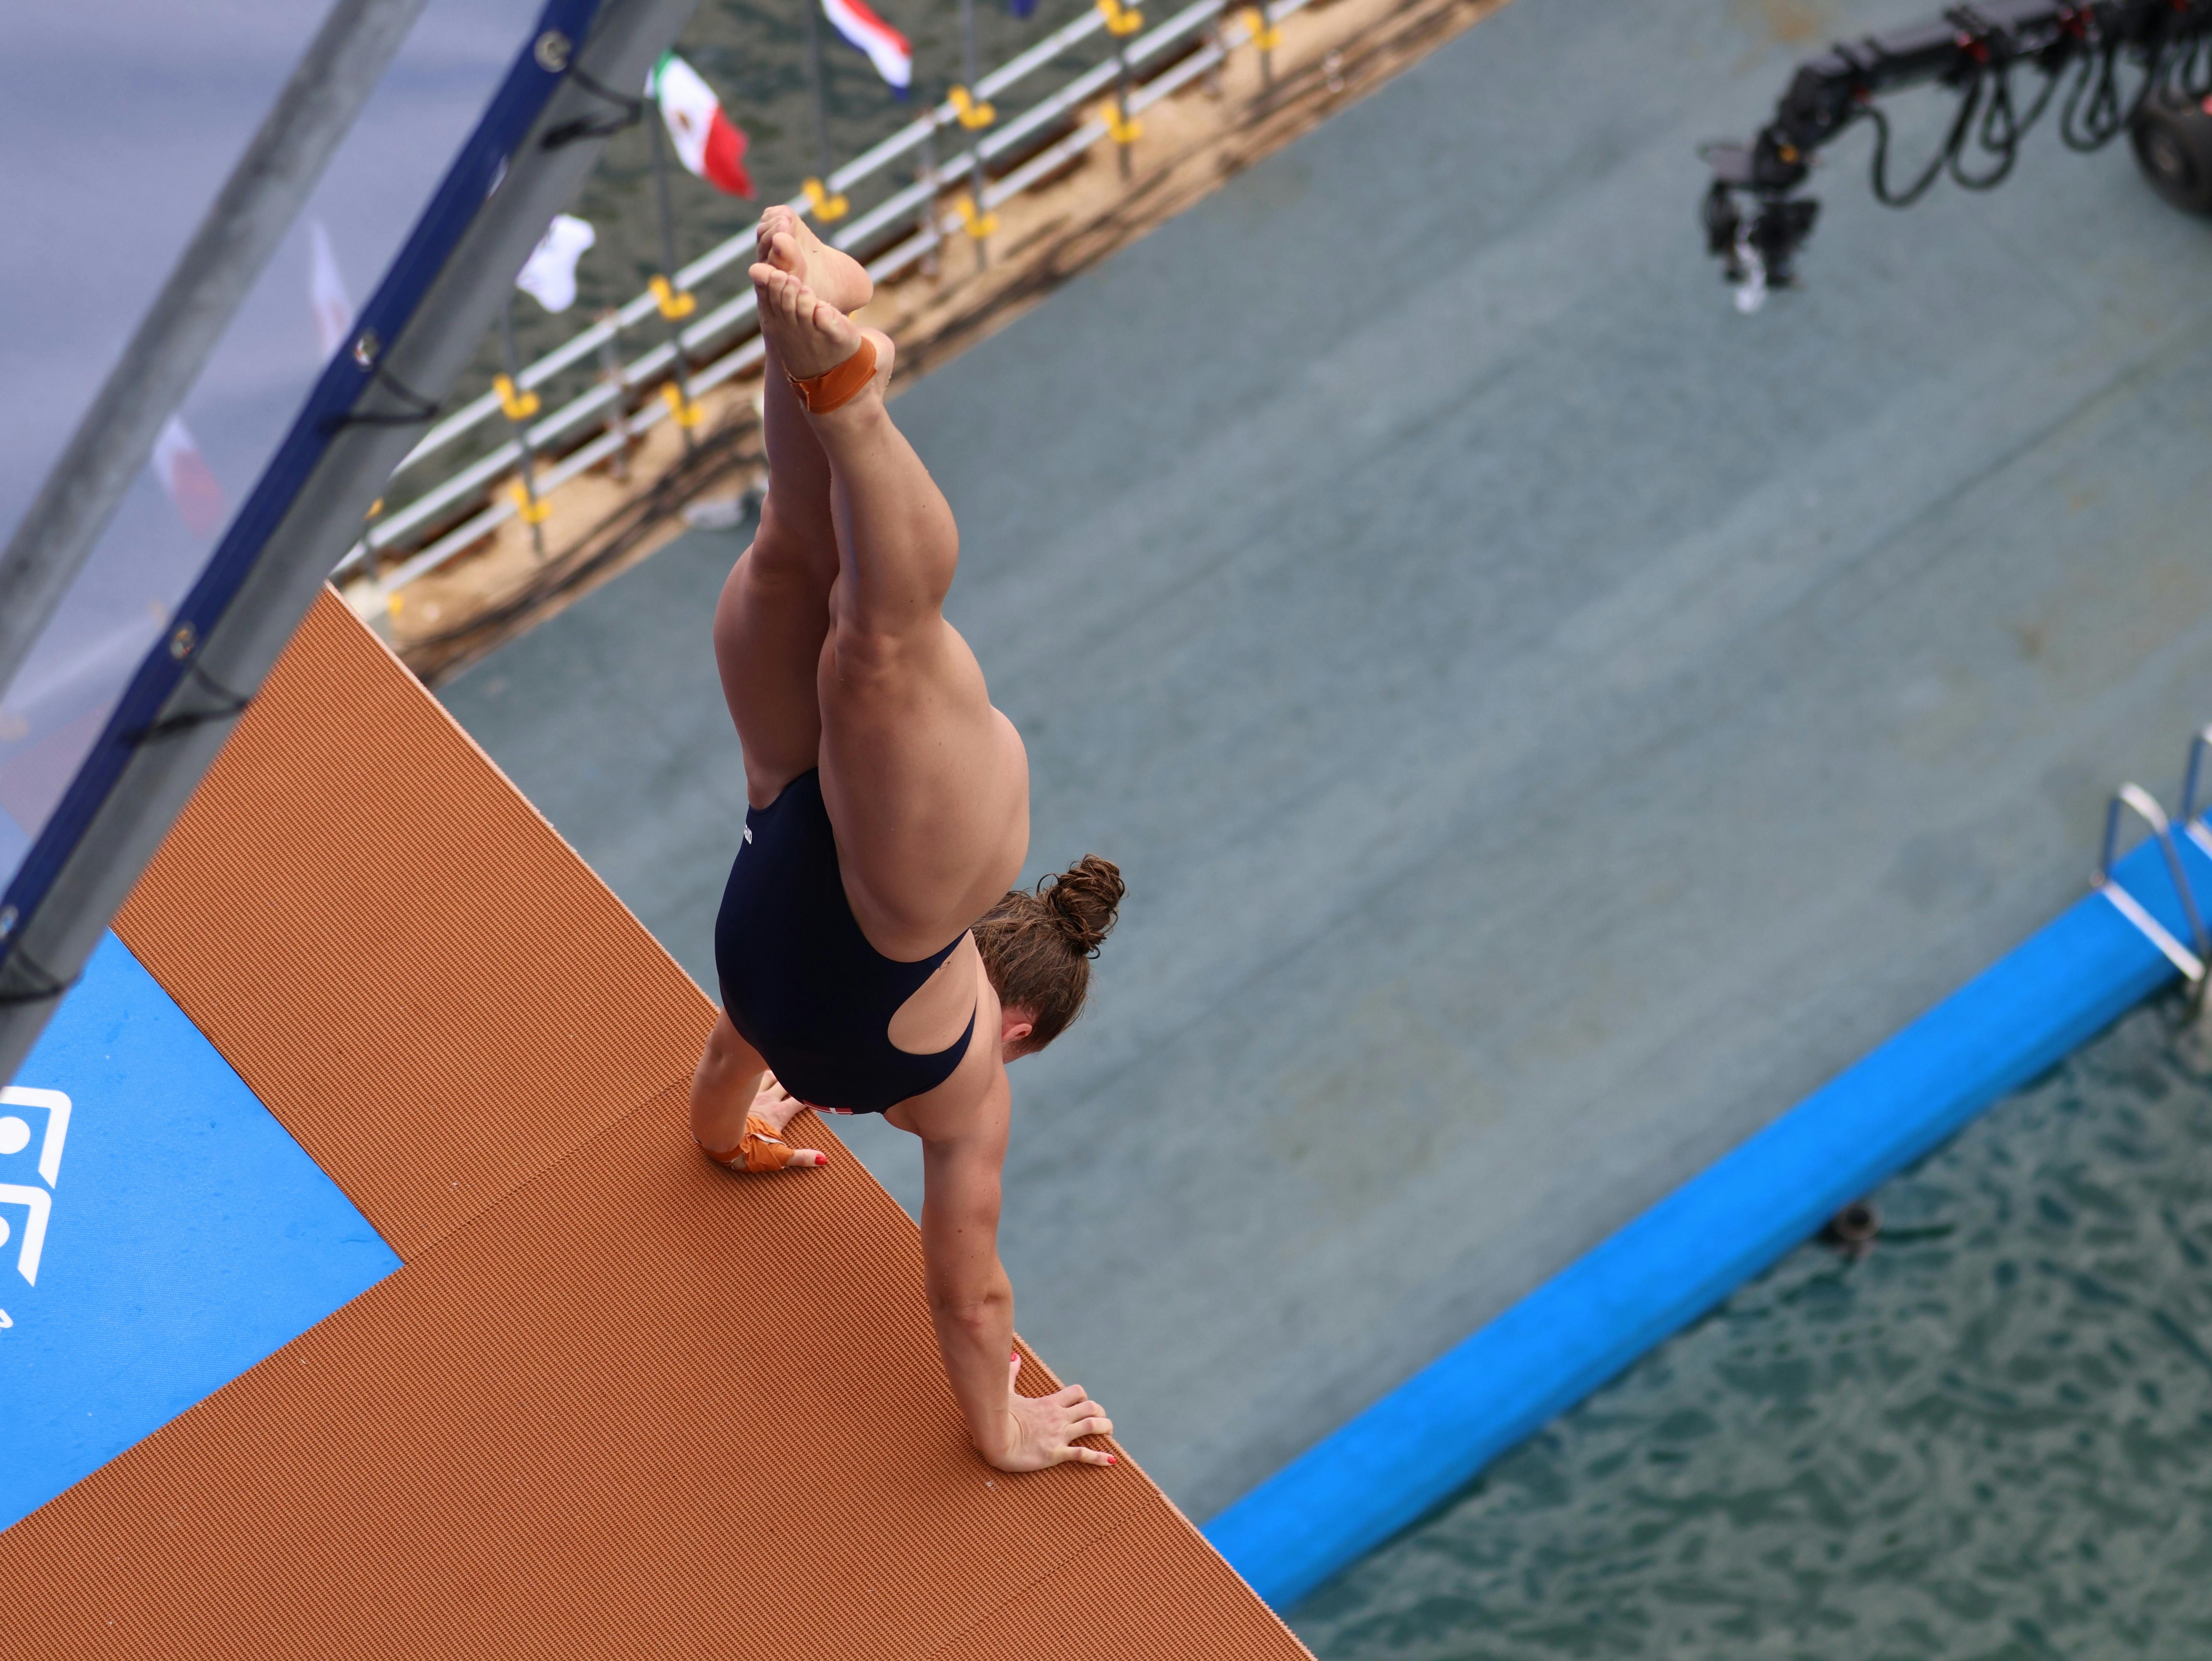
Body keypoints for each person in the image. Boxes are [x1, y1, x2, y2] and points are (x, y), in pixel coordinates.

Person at [688, 206, 1123, 1476]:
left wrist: (731, 1134)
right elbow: (967, 1292)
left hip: (802, 806)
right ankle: (839, 388)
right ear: (1022, 1025)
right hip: (809, 846)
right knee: (873, 636)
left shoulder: (813, 1043)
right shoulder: (958, 1090)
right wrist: (1003, 1434)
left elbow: (724, 1081)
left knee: (804, 557)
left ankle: (804, 325)